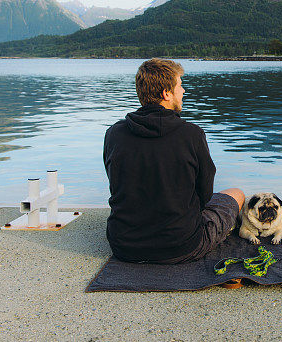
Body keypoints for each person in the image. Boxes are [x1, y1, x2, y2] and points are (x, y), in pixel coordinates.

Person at [103, 58, 245, 263]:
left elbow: (117, 186)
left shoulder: (114, 134)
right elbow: (205, 195)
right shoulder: (191, 134)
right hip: (181, 247)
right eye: (180, 85)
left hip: (124, 246)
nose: (184, 91)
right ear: (166, 93)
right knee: (236, 194)